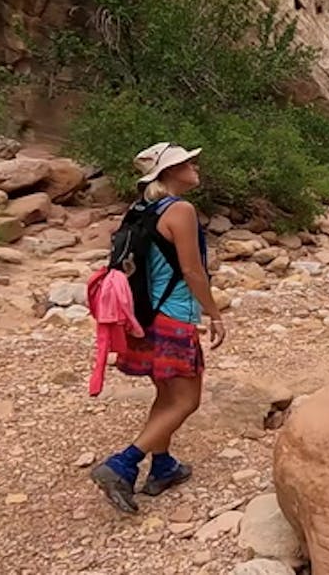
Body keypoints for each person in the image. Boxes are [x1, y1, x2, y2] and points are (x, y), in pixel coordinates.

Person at [90, 142, 228, 513]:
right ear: (168, 173)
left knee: (167, 397)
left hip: (143, 317)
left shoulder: (142, 208)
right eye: (186, 162)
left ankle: (163, 466)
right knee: (187, 400)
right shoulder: (180, 209)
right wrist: (213, 312)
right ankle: (122, 464)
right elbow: (192, 270)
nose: (194, 165)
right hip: (174, 317)